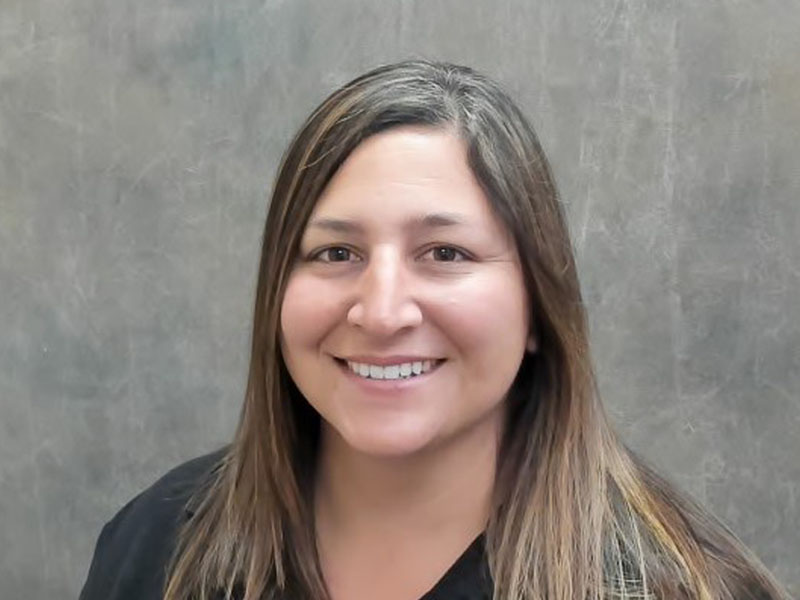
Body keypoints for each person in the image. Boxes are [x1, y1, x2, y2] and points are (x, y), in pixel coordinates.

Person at [79, 60, 789, 600]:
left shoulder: (675, 586)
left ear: (539, 304)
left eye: (445, 254)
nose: (382, 311)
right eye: (336, 253)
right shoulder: (159, 544)